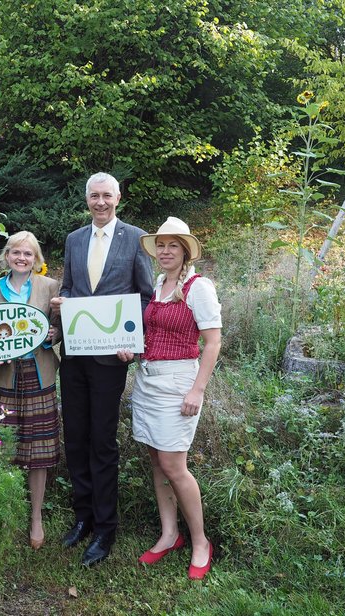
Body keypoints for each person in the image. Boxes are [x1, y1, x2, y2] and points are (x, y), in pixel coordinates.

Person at [50, 172, 154, 566]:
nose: (100, 202)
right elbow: (72, 288)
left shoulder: (135, 238)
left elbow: (145, 297)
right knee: (75, 437)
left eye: (107, 196)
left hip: (111, 358)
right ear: (87, 200)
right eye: (94, 196)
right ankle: (83, 517)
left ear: (118, 198)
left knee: (102, 441)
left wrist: (133, 340)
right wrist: (61, 303)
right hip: (75, 355)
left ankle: (107, 528)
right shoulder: (75, 239)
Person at [116, 216, 221, 580]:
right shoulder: (160, 283)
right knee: (157, 461)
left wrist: (197, 389)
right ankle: (169, 534)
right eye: (160, 245)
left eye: (172, 245)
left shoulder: (198, 287)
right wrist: (133, 350)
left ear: (185, 250)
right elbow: (154, 335)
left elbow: (213, 342)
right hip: (148, 380)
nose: (164, 251)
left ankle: (200, 542)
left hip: (180, 382)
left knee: (175, 466)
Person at [0, 231, 61, 550]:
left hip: (39, 373)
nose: (21, 258)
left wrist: (51, 334)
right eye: (16, 252)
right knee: (2, 446)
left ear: (37, 259)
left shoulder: (50, 287)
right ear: (6, 256)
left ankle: (36, 517)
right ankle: (3, 512)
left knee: (39, 450)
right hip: (5, 375)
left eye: (28, 254)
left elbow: (58, 331)